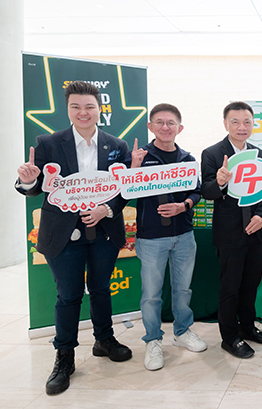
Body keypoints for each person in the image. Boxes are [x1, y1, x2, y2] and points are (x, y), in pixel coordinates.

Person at [15, 81, 132, 395]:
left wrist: (106, 209)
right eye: (76, 106)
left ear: (99, 109)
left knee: (101, 289)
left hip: (104, 231)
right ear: (67, 109)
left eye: (89, 106)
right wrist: (27, 181)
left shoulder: (117, 145)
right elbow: (34, 187)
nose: (83, 112)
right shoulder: (48, 143)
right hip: (63, 234)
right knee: (68, 295)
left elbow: (125, 188)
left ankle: (104, 340)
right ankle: (64, 355)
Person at [126, 103, 206, 371]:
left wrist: (184, 205)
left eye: (171, 123)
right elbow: (126, 192)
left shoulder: (187, 159)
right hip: (151, 238)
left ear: (179, 128)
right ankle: (152, 340)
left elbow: (197, 191)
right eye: (159, 122)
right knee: (151, 294)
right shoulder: (140, 156)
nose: (165, 127)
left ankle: (182, 332)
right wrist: (134, 167)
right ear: (150, 126)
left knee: (183, 289)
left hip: (183, 234)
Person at [201, 101, 262, 359]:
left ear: (253, 125)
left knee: (251, 283)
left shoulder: (258, 153)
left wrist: (261, 216)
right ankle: (230, 337)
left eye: (247, 122)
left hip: (255, 230)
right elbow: (206, 192)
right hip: (229, 232)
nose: (242, 127)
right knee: (230, 287)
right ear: (225, 124)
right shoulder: (212, 153)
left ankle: (248, 327)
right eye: (235, 122)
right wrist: (220, 182)